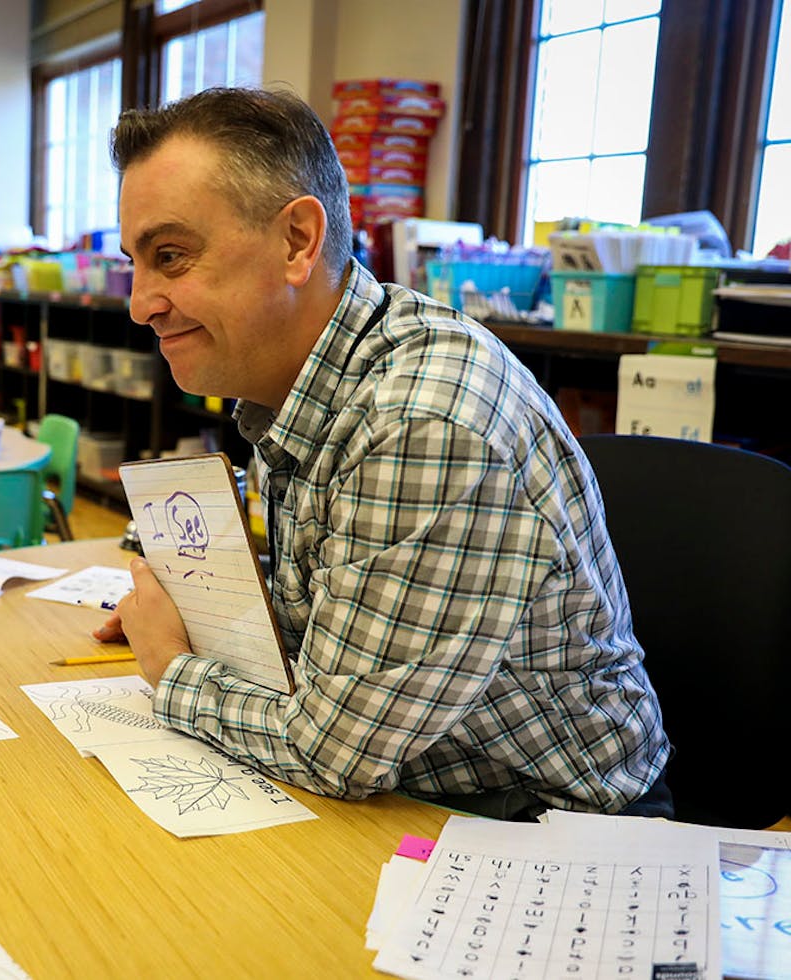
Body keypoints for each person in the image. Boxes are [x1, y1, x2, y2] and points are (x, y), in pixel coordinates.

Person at [97, 87, 670, 820]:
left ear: (298, 241)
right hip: (415, 780)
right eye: (136, 263)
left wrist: (172, 664)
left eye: (170, 256)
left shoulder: (421, 419)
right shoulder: (309, 376)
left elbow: (333, 750)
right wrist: (204, 618)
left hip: (542, 826)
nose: (140, 301)